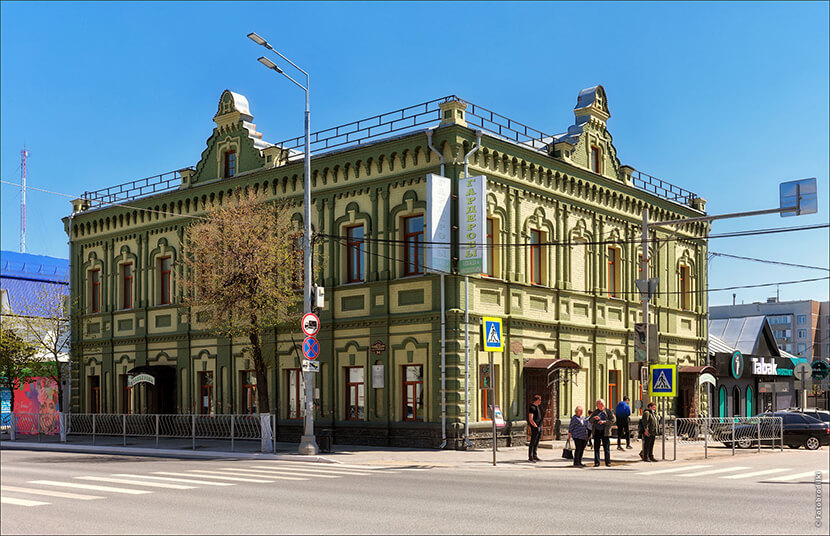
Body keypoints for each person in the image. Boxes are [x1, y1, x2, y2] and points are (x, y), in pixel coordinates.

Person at [590, 398, 615, 467]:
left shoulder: (608, 411)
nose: (596, 405)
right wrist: (594, 418)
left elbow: (613, 420)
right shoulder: (595, 412)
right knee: (596, 448)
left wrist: (604, 422)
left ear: (601, 404)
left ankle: (608, 462)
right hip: (597, 431)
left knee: (606, 448)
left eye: (597, 404)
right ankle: (597, 462)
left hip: (605, 432)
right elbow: (590, 420)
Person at [527, 394, 543, 463]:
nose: (540, 401)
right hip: (535, 427)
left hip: (539, 426)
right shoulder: (532, 407)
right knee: (533, 442)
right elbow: (530, 418)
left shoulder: (537, 407)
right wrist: (535, 426)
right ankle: (530, 457)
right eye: (540, 400)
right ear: (537, 400)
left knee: (536, 442)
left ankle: (535, 455)